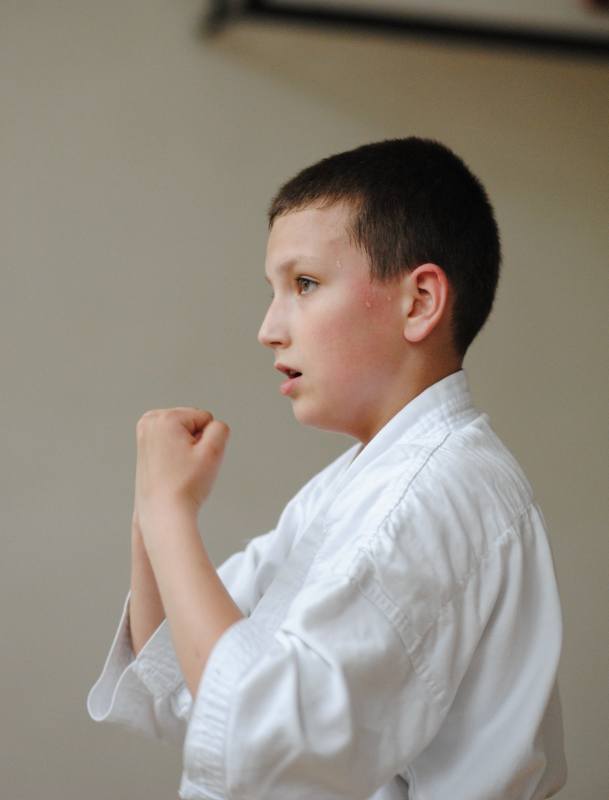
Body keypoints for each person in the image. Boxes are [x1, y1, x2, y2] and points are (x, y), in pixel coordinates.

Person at [86, 137, 567, 799]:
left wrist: (171, 511)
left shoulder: (433, 493)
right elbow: (182, 682)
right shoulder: (360, 480)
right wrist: (152, 509)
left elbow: (259, 741)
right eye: (274, 290)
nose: (268, 328)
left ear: (419, 301)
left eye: (304, 284)